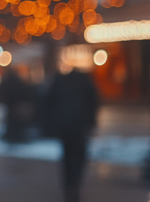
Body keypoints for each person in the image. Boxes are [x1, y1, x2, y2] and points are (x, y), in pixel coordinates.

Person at [43, 68, 99, 202]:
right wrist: (91, 122)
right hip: (79, 125)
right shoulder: (84, 81)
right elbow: (94, 101)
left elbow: (49, 102)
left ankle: (69, 183)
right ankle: (74, 181)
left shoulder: (60, 81)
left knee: (68, 155)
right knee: (79, 154)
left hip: (65, 126)